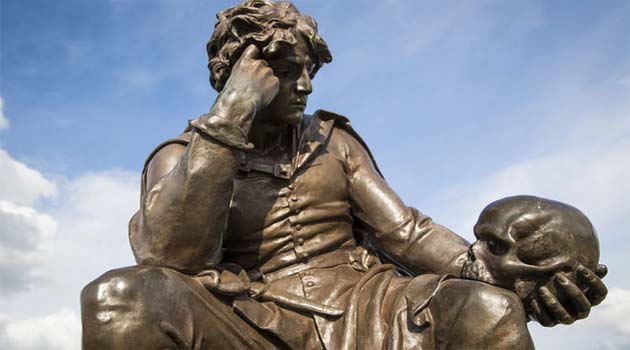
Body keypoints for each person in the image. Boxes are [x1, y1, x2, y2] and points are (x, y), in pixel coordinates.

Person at [81, 1, 608, 349]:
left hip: (366, 308)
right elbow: (171, 261)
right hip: (247, 316)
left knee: (485, 310)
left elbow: (406, 232)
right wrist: (230, 117)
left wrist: (506, 277)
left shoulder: (334, 140)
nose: (306, 85)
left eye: (310, 70)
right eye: (286, 70)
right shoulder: (180, 157)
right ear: (240, 70)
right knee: (119, 298)